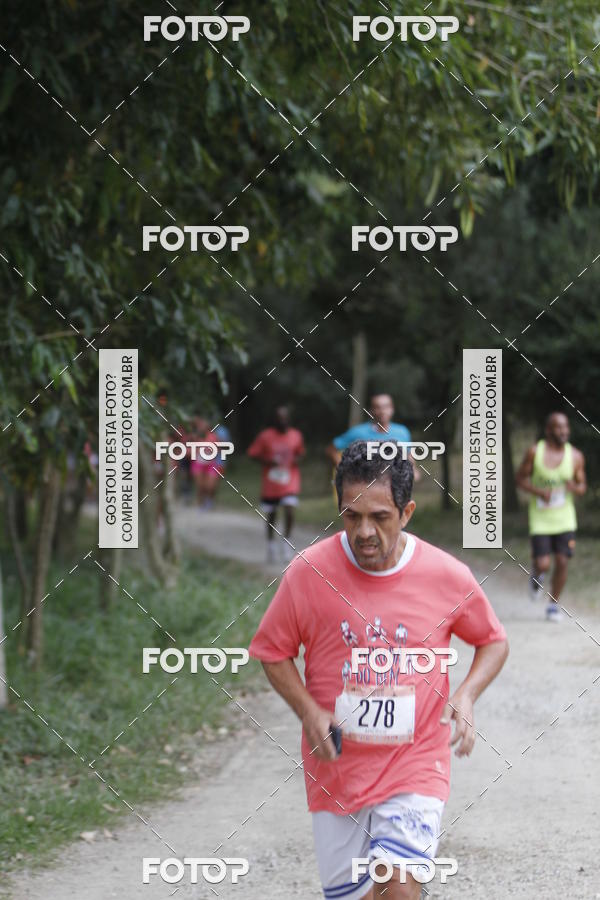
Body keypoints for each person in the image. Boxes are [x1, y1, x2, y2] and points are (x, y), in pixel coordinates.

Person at [249, 441, 508, 899]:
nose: (364, 531)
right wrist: (308, 711)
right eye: (351, 516)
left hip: (416, 762)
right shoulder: (308, 573)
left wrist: (466, 694)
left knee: (398, 885)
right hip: (336, 772)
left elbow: (493, 641)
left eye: (380, 517)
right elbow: (271, 651)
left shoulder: (446, 575)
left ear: (406, 512)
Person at [515, 412, 587, 622]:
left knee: (563, 561)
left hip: (565, 518)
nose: (564, 431)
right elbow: (520, 479)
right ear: (548, 430)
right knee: (544, 563)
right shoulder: (534, 453)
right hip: (541, 518)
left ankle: (553, 605)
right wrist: (539, 492)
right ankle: (537, 576)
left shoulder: (575, 456)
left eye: (566, 427)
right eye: (558, 427)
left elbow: (582, 486)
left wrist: (576, 487)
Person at [247, 406, 305, 563]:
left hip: (289, 481)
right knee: (271, 515)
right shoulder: (265, 436)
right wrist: (267, 461)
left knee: (289, 510)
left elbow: (300, 453)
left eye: (285, 418)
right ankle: (271, 544)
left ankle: (286, 541)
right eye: (279, 418)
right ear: (274, 420)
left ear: (289, 419)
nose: (283, 421)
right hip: (271, 483)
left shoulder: (296, 435)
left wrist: (295, 460)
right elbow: (252, 454)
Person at [326, 394, 421, 481]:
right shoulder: (358, 432)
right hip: (364, 485)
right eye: (378, 407)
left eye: (386, 407)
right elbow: (331, 449)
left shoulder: (402, 431)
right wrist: (346, 471)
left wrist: (413, 470)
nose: (382, 411)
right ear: (371, 410)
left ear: (392, 409)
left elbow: (408, 454)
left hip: (394, 485)